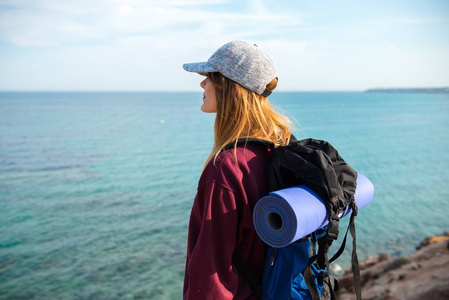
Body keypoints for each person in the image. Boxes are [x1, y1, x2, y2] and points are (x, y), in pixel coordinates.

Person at [182, 41, 294, 300]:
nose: (202, 84)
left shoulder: (225, 168)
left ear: (230, 87)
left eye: (209, 77)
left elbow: (210, 281)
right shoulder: (279, 148)